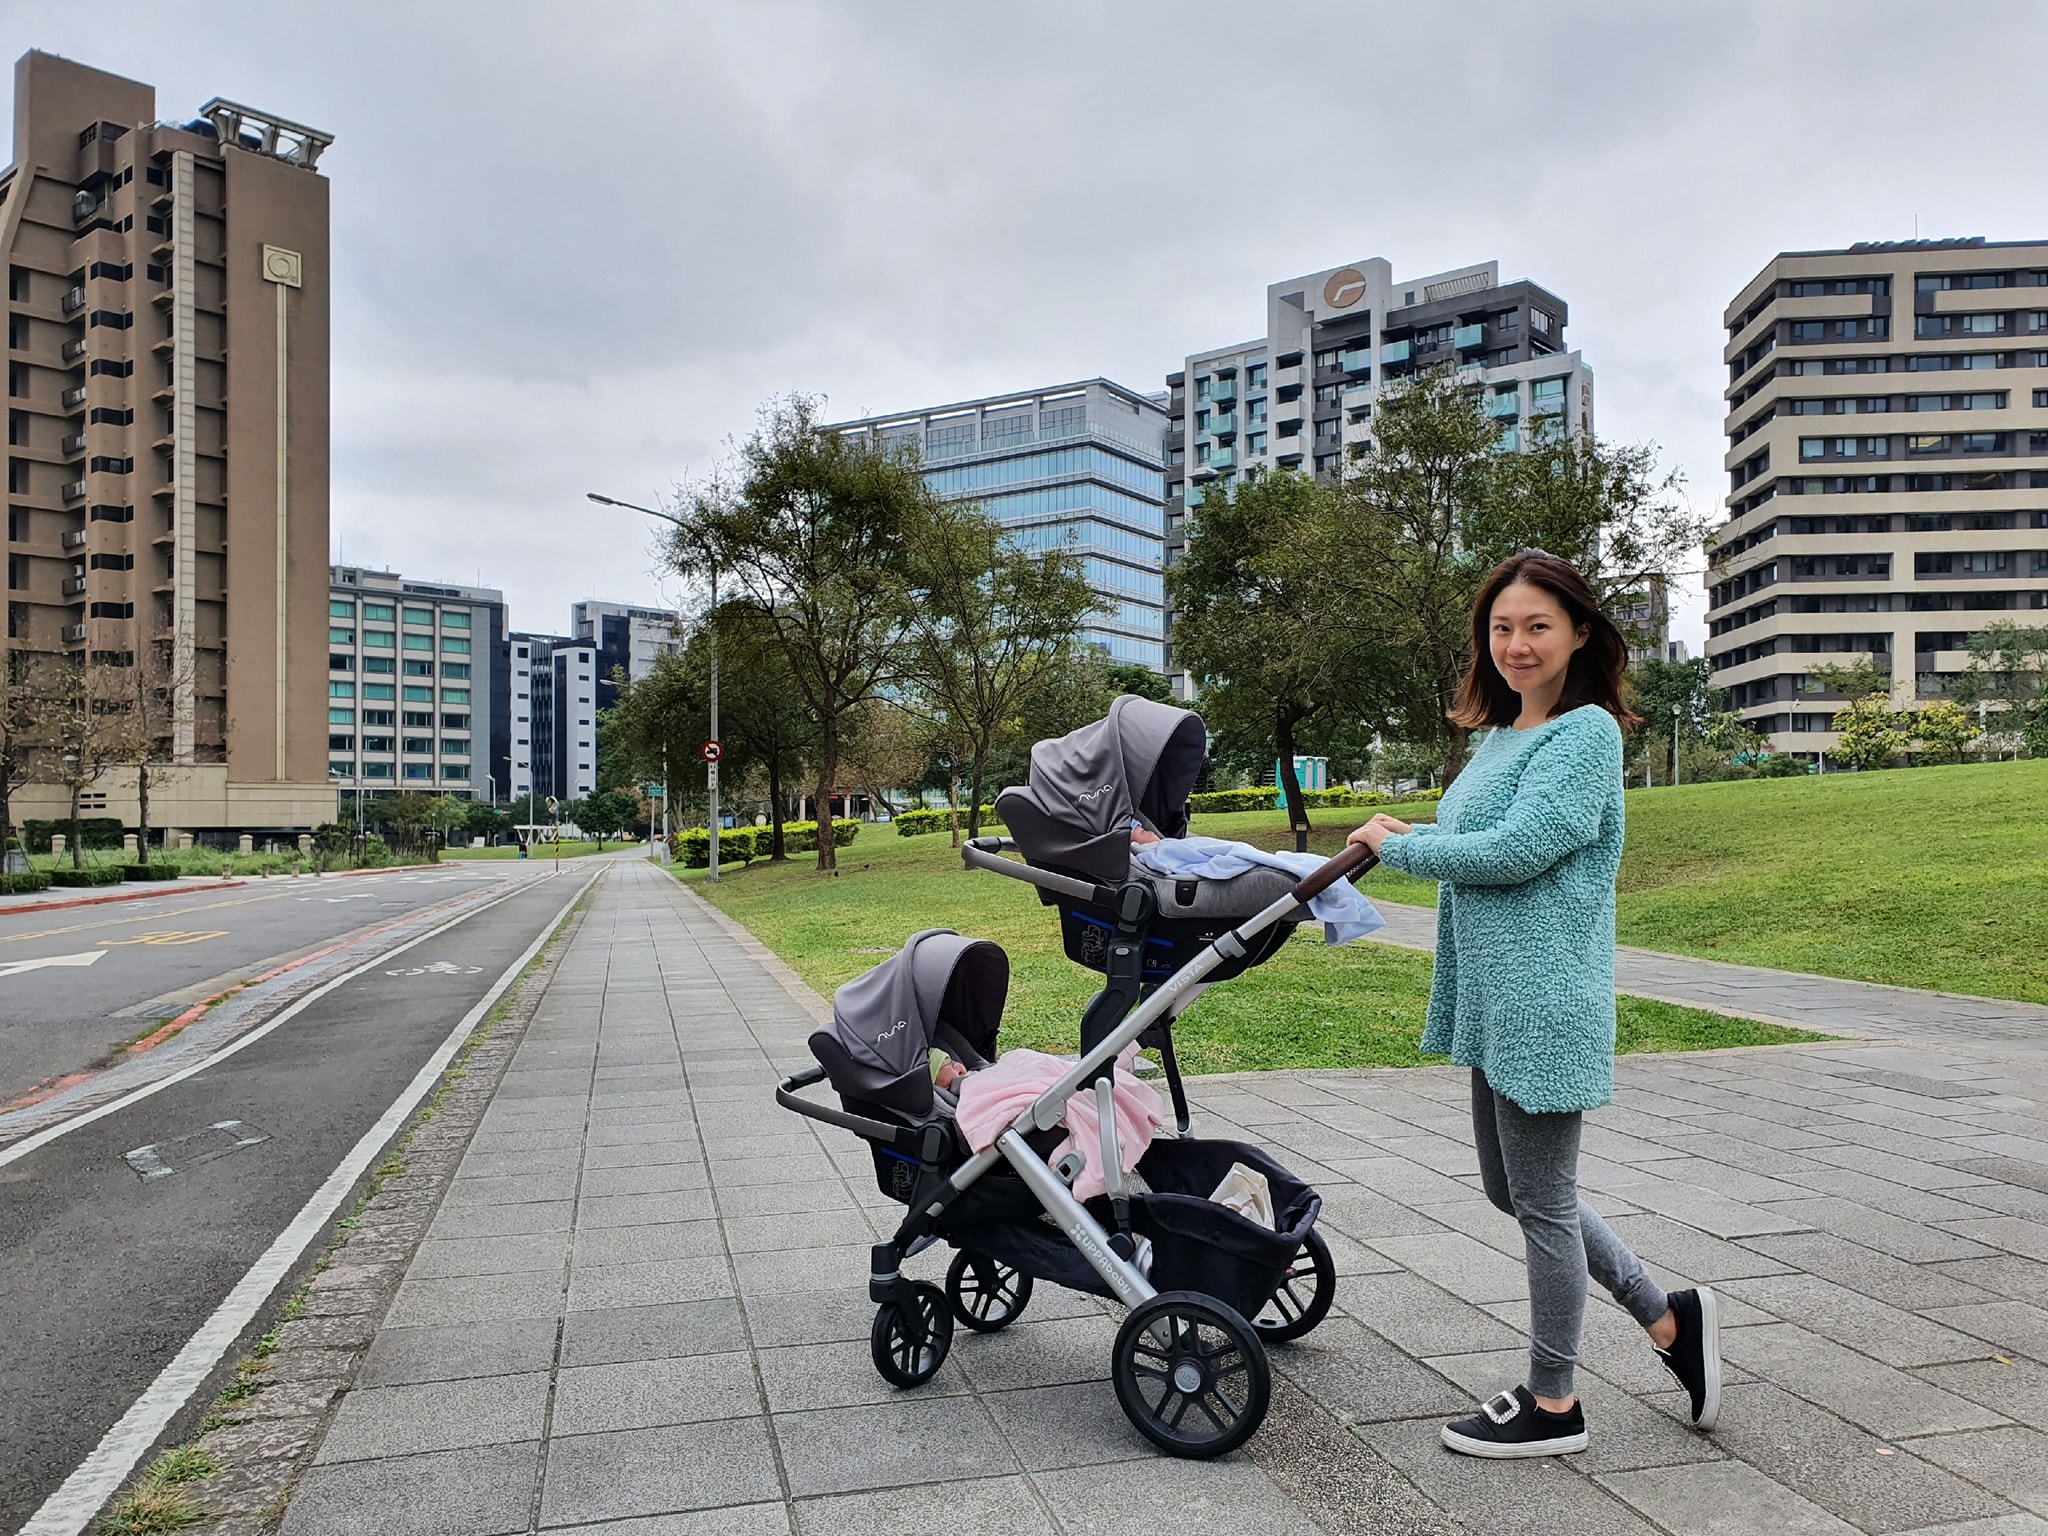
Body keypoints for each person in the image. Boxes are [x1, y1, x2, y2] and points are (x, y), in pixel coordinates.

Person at [1348, 549, 1721, 1459]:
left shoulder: (1588, 734)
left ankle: (1555, 1404)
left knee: (1543, 1203)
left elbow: (1521, 850)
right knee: (1511, 1189)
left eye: (1537, 626)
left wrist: (1398, 854)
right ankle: (1667, 1320)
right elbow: (1482, 833)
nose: (1515, 643)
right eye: (1502, 626)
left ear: (1580, 634)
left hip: (1546, 1000)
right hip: (1498, 995)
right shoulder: (1505, 732)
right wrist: (1414, 831)